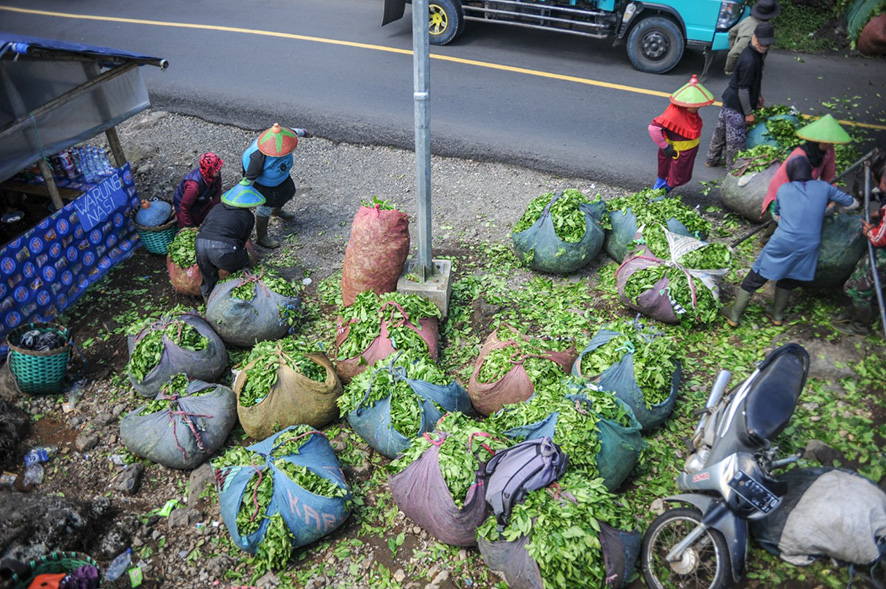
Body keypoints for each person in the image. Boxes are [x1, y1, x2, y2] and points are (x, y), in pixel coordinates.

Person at [722, 156, 855, 327]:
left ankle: (734, 315)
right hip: (809, 245)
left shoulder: (784, 190)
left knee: (757, 274)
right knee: (790, 275)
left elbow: (777, 216)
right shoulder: (824, 187)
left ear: (791, 174)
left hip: (784, 241)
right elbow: (852, 204)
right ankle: (777, 315)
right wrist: (828, 211)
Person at [705, 22, 775, 170]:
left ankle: (711, 159)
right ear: (754, 38)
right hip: (737, 106)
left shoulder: (754, 53)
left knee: (720, 133)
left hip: (728, 100)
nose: (764, 47)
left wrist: (758, 96)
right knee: (736, 143)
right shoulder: (750, 61)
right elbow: (743, 89)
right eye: (762, 43)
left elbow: (751, 82)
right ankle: (733, 171)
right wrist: (748, 113)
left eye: (767, 45)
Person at [832, 154, 886, 336]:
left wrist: (869, 230)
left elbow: (879, 238)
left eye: (879, 183)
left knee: (861, 289)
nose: (878, 187)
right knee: (854, 281)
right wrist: (878, 214)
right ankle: (853, 312)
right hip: (880, 252)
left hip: (883, 255)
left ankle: (859, 326)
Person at [760, 114, 850, 218]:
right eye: (825, 142)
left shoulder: (828, 150)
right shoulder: (800, 158)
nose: (828, 144)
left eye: (830, 142)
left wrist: (831, 198)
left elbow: (829, 177)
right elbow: (798, 191)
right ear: (816, 141)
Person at [241, 123, 311, 248]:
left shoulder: (284, 137)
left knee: (287, 192)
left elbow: (294, 132)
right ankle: (262, 237)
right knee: (265, 206)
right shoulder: (258, 157)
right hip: (264, 184)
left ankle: (276, 210)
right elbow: (249, 179)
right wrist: (244, 194)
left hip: (282, 178)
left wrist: (305, 132)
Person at [195, 179, 265, 301]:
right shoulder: (247, 216)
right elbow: (242, 242)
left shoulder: (217, 207)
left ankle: (208, 301)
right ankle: (239, 295)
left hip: (200, 244)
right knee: (242, 263)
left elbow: (202, 229)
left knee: (208, 277)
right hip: (222, 248)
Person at [648, 74, 715, 194]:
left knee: (674, 176)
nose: (698, 107)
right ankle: (657, 196)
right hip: (675, 154)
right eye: (695, 105)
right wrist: (666, 147)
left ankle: (658, 193)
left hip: (685, 154)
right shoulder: (675, 113)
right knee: (669, 178)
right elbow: (653, 128)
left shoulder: (690, 113)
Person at [724, 0, 780, 76]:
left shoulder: (748, 19)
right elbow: (732, 54)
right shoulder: (751, 36)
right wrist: (729, 71)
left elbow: (732, 32)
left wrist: (732, 46)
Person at [172, 152, 224, 227]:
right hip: (184, 205)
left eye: (219, 169)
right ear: (209, 170)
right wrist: (189, 225)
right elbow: (184, 207)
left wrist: (216, 210)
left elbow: (217, 192)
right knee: (191, 224)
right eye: (216, 170)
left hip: (200, 199)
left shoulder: (215, 175)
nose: (218, 171)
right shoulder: (193, 186)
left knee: (212, 215)